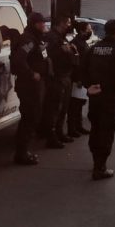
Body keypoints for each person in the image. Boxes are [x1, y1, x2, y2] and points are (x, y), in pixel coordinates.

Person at [83, 18, 115, 180]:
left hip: (95, 96)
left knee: (96, 128)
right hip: (109, 97)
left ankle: (96, 162)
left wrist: (89, 85)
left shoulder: (93, 48)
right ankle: (100, 167)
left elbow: (83, 69)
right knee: (107, 130)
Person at [9, 12, 49, 165]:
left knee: (32, 117)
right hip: (29, 85)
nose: (44, 25)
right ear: (34, 24)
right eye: (41, 23)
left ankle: (23, 151)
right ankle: (22, 153)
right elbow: (19, 59)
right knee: (29, 118)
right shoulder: (28, 40)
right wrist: (32, 74)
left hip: (35, 85)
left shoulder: (36, 39)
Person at [44, 13, 75, 148]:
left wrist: (69, 50)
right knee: (54, 109)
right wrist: (64, 51)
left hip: (65, 75)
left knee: (63, 108)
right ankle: (51, 137)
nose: (69, 25)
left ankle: (59, 132)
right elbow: (47, 56)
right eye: (67, 23)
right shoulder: (51, 38)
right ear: (61, 23)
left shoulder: (62, 37)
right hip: (56, 77)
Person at [67, 19, 95, 137]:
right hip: (77, 78)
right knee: (74, 105)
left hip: (83, 77)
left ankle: (78, 126)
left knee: (80, 103)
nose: (90, 31)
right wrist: (78, 78)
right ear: (82, 31)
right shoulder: (76, 43)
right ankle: (72, 128)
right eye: (89, 29)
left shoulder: (83, 42)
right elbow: (76, 63)